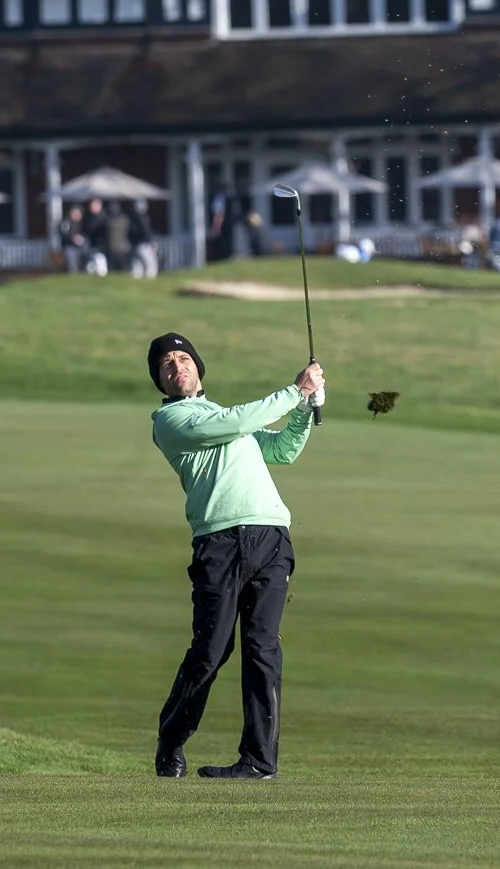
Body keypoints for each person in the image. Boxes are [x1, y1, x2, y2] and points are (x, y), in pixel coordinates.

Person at [147, 332, 324, 781]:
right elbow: (230, 424)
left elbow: (282, 450)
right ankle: (171, 740)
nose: (177, 367)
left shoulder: (228, 420)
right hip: (219, 544)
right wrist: (296, 391)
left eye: (183, 358)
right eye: (166, 364)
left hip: (270, 537)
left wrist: (305, 409)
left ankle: (259, 761)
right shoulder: (172, 422)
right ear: (160, 382)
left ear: (198, 369)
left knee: (263, 649)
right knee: (210, 651)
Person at [128, 201, 159, 279]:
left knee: (137, 266)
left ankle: (135, 281)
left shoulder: (131, 218)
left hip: (135, 245)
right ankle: (150, 281)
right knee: (151, 264)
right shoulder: (142, 219)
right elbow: (146, 232)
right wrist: (151, 241)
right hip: (143, 245)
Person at [84, 198, 111, 277]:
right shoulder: (88, 217)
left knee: (100, 265)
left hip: (100, 246)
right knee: (90, 267)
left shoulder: (103, 217)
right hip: (91, 245)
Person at [62, 205, 88, 273]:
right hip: (70, 246)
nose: (77, 215)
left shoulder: (82, 223)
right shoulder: (66, 223)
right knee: (72, 265)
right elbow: (63, 234)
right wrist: (72, 238)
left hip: (81, 247)